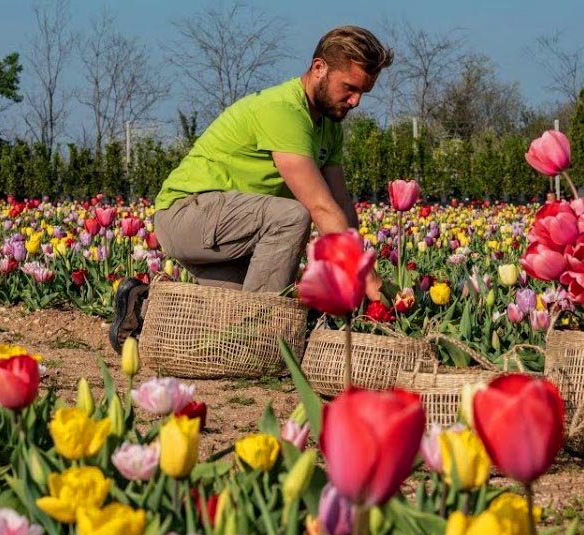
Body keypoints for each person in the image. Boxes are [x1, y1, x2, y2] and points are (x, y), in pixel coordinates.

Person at [109, 25, 391, 353]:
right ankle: (260, 345)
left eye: (363, 93)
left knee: (234, 315)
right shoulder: (284, 111)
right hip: (188, 213)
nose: (356, 101)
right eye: (350, 88)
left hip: (231, 233)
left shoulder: (329, 127)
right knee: (291, 221)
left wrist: (362, 274)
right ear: (319, 68)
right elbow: (320, 206)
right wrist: (366, 277)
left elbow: (340, 205)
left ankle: (141, 306)